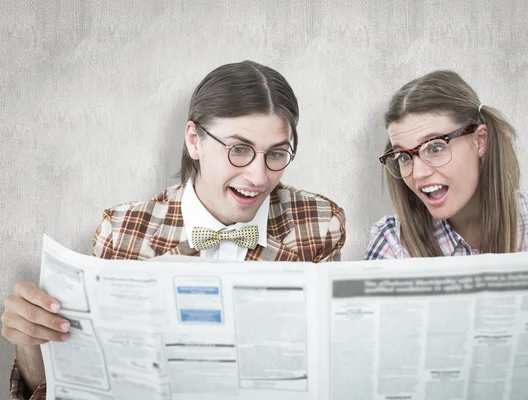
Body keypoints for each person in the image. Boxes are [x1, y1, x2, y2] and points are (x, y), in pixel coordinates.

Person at [2, 60, 346, 400]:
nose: (258, 177)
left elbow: (331, 369)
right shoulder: (123, 231)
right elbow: (84, 386)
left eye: (276, 154)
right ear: (194, 140)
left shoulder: (318, 223)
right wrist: (30, 345)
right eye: (239, 149)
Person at [365, 70, 528, 398]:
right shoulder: (392, 243)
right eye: (404, 156)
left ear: (479, 141)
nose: (417, 173)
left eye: (434, 147)